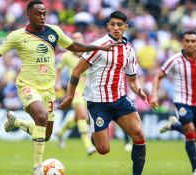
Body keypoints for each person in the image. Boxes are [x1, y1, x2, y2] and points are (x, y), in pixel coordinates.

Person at [0, 1, 115, 174]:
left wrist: (98, 47)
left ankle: (16, 122)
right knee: (41, 117)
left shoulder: (54, 31)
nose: (42, 17)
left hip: (48, 91)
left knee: (45, 134)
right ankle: (37, 167)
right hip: (28, 86)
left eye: (44, 13)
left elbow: (73, 46)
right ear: (28, 14)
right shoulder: (17, 35)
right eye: (38, 14)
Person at [59, 11, 147, 175]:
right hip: (98, 102)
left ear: (125, 27)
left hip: (120, 99)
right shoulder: (98, 46)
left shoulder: (129, 50)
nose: (116, 28)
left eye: (119, 25)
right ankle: (94, 130)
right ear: (107, 26)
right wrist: (70, 96)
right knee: (103, 149)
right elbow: (77, 70)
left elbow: (132, 79)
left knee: (139, 135)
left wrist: (139, 91)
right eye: (112, 24)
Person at [151, 30, 196, 175]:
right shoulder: (175, 59)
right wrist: (154, 95)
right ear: (183, 43)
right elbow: (157, 76)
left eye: (193, 41)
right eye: (187, 41)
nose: (190, 44)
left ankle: (174, 124)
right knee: (190, 131)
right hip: (181, 101)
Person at [54, 32, 96, 155]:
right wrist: (57, 83)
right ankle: (88, 146)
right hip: (74, 89)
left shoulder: (88, 55)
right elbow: (59, 69)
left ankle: (60, 132)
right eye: (75, 40)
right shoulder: (66, 56)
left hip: (87, 90)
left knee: (78, 116)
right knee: (82, 116)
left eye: (80, 40)